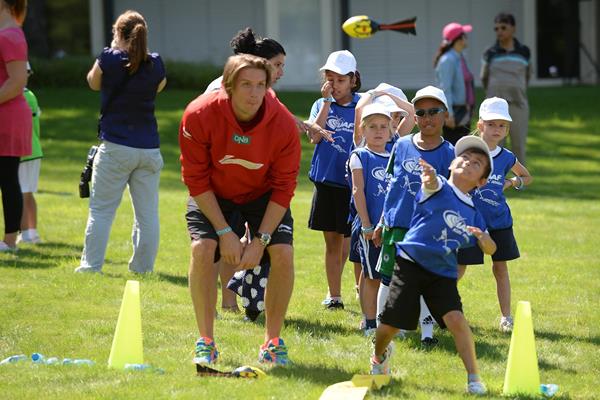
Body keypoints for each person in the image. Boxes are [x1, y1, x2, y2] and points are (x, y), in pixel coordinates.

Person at [179, 54, 301, 366]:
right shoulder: (198, 114)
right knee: (202, 248)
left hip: (263, 194)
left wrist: (259, 241)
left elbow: (285, 187)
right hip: (214, 193)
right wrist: (224, 233)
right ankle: (206, 341)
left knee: (283, 254)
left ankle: (272, 342)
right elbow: (194, 179)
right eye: (246, 84)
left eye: (261, 85)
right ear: (228, 86)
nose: (254, 93)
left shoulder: (284, 124)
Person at [206, 28, 331, 314]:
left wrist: (305, 125)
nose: (281, 72)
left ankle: (231, 302)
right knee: (221, 240)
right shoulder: (221, 88)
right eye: (277, 65)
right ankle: (219, 305)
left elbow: (277, 115)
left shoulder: (262, 92)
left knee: (238, 238)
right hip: (222, 177)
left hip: (250, 179)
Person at [370, 135, 497, 396]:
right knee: (390, 326)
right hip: (410, 264)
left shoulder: (473, 212)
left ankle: (474, 378)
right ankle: (379, 357)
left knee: (457, 320)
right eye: (464, 158)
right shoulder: (438, 186)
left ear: (481, 181)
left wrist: (484, 239)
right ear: (451, 164)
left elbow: (492, 248)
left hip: (442, 273)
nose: (468, 163)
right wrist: (428, 176)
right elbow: (430, 183)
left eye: (477, 163)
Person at [75, 10, 166, 273]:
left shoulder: (108, 58)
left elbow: (92, 83)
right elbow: (158, 87)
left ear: (118, 33)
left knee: (102, 210)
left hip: (116, 146)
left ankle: (91, 266)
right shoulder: (156, 63)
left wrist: (114, 48)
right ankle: (142, 268)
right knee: (147, 214)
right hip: (149, 148)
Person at [372, 86, 455, 346]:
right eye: (420, 112)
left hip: (428, 231)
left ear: (445, 115)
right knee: (388, 277)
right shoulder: (402, 145)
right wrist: (382, 221)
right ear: (414, 117)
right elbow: (392, 188)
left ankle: (427, 333)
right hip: (396, 224)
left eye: (434, 111)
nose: (427, 118)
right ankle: (381, 325)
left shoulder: (449, 153)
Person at [457, 97, 532, 332]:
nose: (497, 129)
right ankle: (441, 310)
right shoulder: (466, 151)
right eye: (491, 124)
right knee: (458, 268)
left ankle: (506, 317)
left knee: (500, 268)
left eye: (502, 125)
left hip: (499, 222)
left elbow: (527, 177)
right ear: (480, 125)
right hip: (470, 222)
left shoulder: (507, 156)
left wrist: (511, 182)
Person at [307, 50, 362, 310]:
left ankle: (362, 291)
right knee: (332, 243)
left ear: (353, 80)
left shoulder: (363, 105)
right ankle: (335, 296)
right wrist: (327, 103)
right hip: (327, 181)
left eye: (341, 80)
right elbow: (314, 137)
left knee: (350, 244)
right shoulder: (321, 105)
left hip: (355, 184)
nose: (335, 85)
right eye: (330, 79)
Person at [349, 103, 394, 335]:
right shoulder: (360, 156)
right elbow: (358, 191)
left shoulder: (394, 156)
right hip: (368, 226)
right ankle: (369, 321)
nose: (378, 131)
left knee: (389, 275)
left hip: (390, 228)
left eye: (383, 127)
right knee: (371, 275)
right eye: (372, 126)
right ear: (363, 130)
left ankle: (387, 319)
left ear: (391, 130)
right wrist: (367, 224)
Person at [481, 13, 531, 165]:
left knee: (518, 144)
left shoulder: (524, 51)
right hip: (495, 107)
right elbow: (484, 77)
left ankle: (520, 181)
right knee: (493, 144)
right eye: (496, 29)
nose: (499, 31)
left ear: (513, 28)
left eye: (503, 27)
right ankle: (491, 178)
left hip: (518, 104)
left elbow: (527, 76)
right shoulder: (490, 52)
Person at [0, 0, 30, 252]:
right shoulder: (6, 33)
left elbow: (17, 81)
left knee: (7, 178)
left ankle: (10, 241)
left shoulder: (10, 35)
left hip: (6, 117)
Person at [434, 22, 475, 146]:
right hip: (454, 113)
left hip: (463, 111)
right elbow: (445, 88)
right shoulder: (448, 60)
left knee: (463, 149)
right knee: (454, 150)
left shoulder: (460, 57)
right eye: (465, 35)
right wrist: (449, 114)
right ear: (459, 39)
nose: (467, 38)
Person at [18, 63, 42, 244]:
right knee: (28, 192)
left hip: (23, 151)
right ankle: (32, 232)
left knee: (22, 193)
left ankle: (26, 234)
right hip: (33, 150)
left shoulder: (22, 96)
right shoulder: (30, 95)